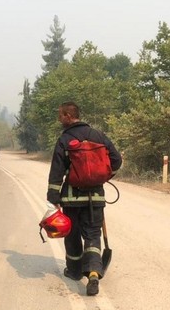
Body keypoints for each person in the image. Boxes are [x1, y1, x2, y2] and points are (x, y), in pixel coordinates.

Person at [46, 101, 122, 296]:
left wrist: (53, 197)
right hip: (95, 197)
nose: (59, 119)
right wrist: (104, 176)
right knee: (92, 234)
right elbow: (117, 160)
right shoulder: (98, 136)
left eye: (61, 115)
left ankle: (74, 270)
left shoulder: (65, 139)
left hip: (71, 199)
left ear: (69, 116)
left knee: (72, 235)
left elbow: (57, 171)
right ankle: (94, 272)